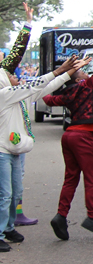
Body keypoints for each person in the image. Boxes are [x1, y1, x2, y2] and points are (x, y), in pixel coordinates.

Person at [43, 32, 93, 240]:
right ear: (78, 77)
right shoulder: (88, 85)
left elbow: (46, 98)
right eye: (81, 71)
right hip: (84, 136)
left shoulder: (67, 92)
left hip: (69, 135)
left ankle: (61, 216)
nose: (86, 73)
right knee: (91, 178)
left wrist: (59, 76)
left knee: (70, 179)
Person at [1, 55, 84, 251]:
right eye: (11, 75)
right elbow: (34, 85)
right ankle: (0, 231)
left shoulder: (18, 97)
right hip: (3, 151)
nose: (16, 77)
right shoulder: (5, 94)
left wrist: (67, 72)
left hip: (14, 150)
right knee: (4, 194)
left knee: (15, 193)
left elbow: (44, 88)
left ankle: (9, 227)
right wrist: (59, 70)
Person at [1, 3, 39, 226]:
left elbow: (16, 52)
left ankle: (11, 220)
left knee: (15, 184)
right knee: (5, 188)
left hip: (15, 136)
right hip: (3, 140)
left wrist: (28, 24)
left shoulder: (6, 76)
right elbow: (16, 53)